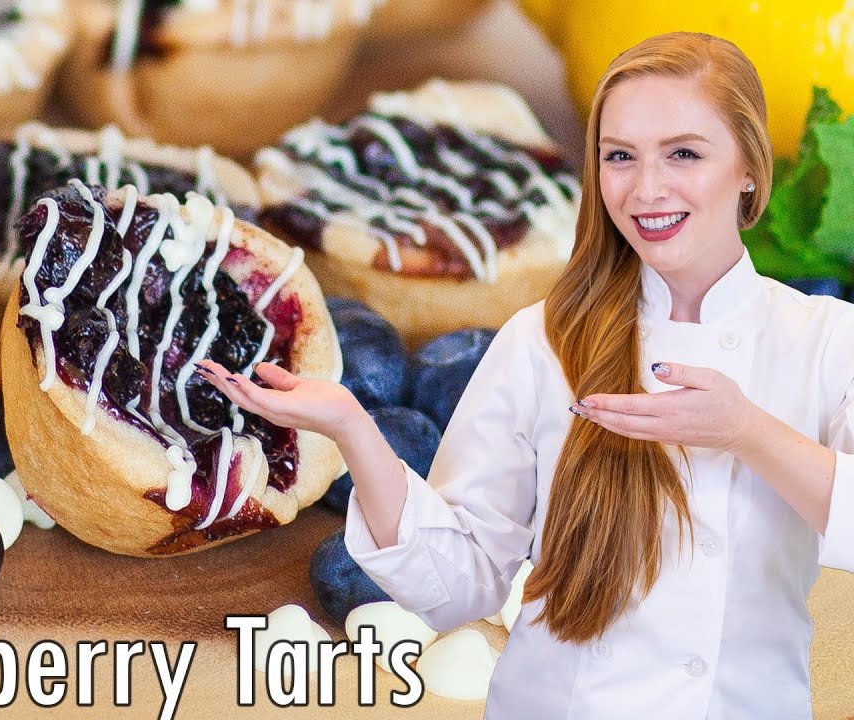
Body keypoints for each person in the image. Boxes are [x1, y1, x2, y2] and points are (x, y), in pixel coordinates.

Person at [195, 31, 854, 719]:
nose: (647, 188)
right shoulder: (542, 341)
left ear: (749, 165)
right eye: (620, 157)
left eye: (683, 153)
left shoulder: (825, 341)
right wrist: (353, 431)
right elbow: (461, 586)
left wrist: (747, 432)